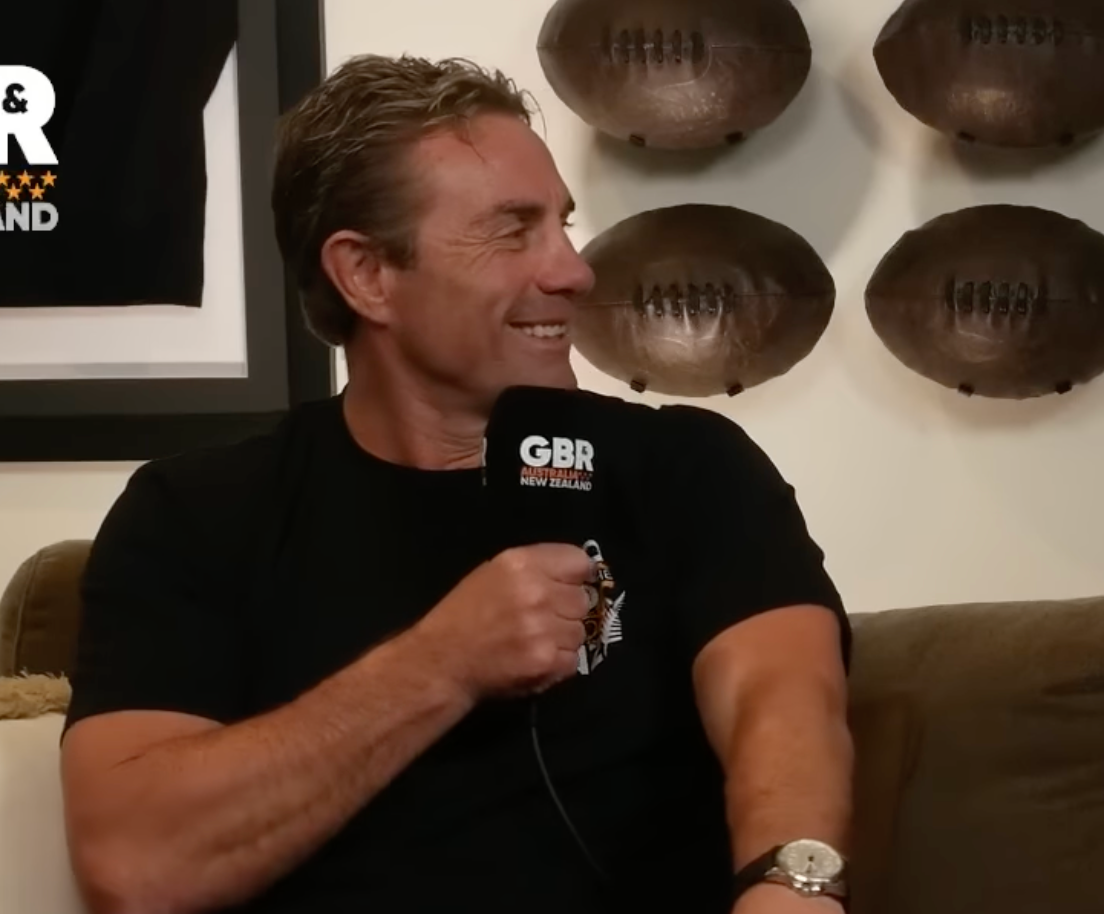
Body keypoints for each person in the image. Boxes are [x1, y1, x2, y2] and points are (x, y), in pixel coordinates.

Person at [59, 53, 854, 914]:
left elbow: (783, 699)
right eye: (514, 232)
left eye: (562, 225)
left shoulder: (688, 468)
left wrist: (794, 886)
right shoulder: (194, 515)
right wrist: (445, 661)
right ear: (367, 275)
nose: (573, 272)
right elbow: (135, 865)